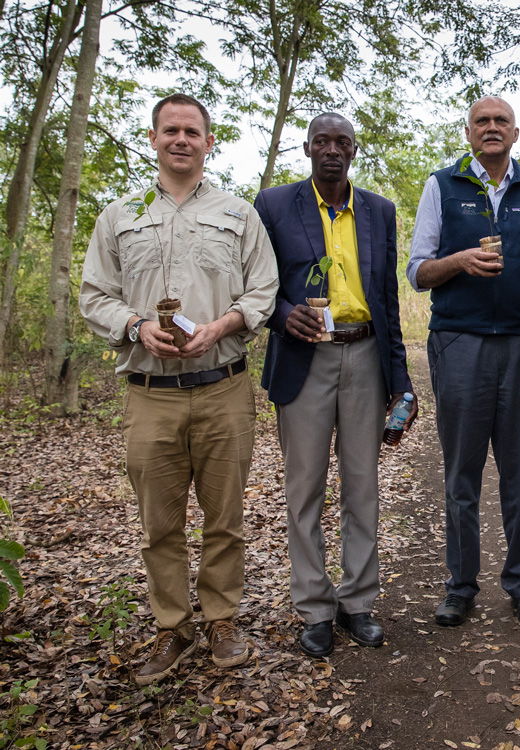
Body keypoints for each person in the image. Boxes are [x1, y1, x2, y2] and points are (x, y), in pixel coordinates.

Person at [79, 93, 279, 684]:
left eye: (193, 130)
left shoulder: (239, 214)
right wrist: (137, 327)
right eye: (171, 130)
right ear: (153, 138)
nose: (181, 139)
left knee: (225, 516)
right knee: (159, 523)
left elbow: (262, 290)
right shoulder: (120, 215)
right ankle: (172, 628)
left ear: (208, 142)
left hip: (222, 388)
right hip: (150, 392)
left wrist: (222, 326)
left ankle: (221, 618)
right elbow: (94, 294)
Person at [255, 113, 416, 658]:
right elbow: (258, 285)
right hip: (306, 358)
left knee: (361, 486)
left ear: (353, 150)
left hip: (366, 353)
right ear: (306, 148)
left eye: (341, 142)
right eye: (321, 141)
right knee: (305, 488)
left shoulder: (379, 210)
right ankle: (314, 608)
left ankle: (358, 602)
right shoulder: (274, 205)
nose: (331, 150)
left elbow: (389, 301)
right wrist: (282, 316)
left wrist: (402, 381)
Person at [407, 96, 520, 627]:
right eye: (481, 122)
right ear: (468, 133)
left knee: (519, 474)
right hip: (458, 342)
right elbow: (418, 271)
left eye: (500, 122)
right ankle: (461, 585)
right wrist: (460, 261)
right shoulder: (441, 186)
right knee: (461, 473)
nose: (491, 129)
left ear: (515, 134)